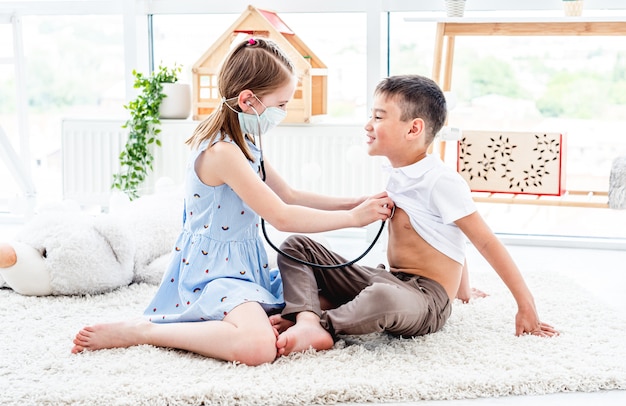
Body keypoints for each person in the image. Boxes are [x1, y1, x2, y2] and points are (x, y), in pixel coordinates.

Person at [71, 37, 393, 366]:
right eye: (281, 104)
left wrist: (357, 201)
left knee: (332, 296)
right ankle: (143, 331)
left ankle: (261, 316)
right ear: (248, 100)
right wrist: (354, 218)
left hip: (245, 265)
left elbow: (291, 195)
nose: (283, 112)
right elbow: (282, 216)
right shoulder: (222, 152)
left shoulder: (248, 141)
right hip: (213, 273)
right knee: (258, 348)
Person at [270, 74, 559, 356]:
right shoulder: (397, 171)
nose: (368, 125)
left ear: (413, 129)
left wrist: (526, 304)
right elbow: (445, 232)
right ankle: (306, 319)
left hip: (426, 299)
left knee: (380, 298)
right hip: (388, 279)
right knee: (297, 246)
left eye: (379, 117)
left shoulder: (440, 181)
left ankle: (322, 324)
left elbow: (483, 241)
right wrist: (465, 289)